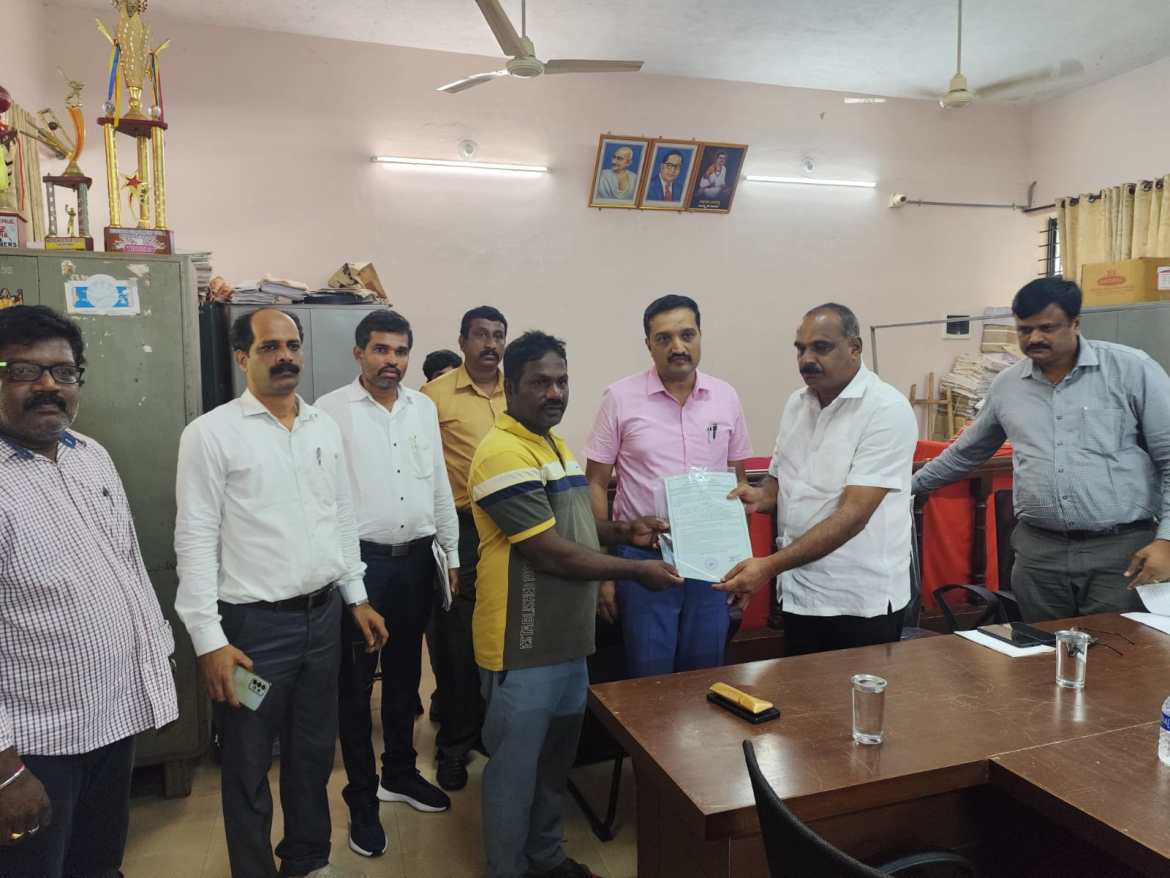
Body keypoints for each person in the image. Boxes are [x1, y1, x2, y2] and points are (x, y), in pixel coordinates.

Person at [174, 308, 388, 878]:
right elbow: (194, 538)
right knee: (248, 760)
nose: (286, 356)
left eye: (293, 345)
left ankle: (307, 857)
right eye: (270, 347)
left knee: (313, 750)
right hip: (253, 636)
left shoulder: (322, 427)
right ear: (242, 357)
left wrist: (357, 596)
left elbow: (340, 515)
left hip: (322, 624)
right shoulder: (211, 434)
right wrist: (208, 641)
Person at [469, 331, 682, 878]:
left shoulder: (553, 445)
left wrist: (626, 531)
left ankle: (544, 858)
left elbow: (577, 527)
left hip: (567, 639)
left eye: (562, 381)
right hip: (522, 642)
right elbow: (549, 550)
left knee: (554, 762)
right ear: (510, 387)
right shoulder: (502, 452)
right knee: (515, 771)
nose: (555, 393)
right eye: (540, 382)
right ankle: (507, 869)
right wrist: (636, 571)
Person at [0, 305, 178, 878]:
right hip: (34, 745)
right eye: (23, 371)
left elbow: (128, 568)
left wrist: (153, 674)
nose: (48, 386)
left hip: (108, 720)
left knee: (98, 863)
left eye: (64, 372)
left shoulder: (90, 456)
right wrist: (5, 770)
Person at [913, 278, 1170, 620]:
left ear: (1075, 323)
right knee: (1042, 648)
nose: (1034, 338)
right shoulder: (1008, 386)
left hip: (1120, 553)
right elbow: (966, 453)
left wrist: (1166, 541)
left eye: (1047, 328)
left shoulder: (1130, 369)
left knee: (1118, 649)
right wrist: (902, 488)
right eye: (1024, 329)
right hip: (1039, 557)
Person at [316, 310, 460, 858]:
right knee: (355, 688)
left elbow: (438, 482)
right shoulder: (329, 411)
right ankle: (362, 800)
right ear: (359, 353)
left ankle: (399, 773)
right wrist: (350, 582)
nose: (391, 361)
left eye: (400, 351)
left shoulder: (423, 408)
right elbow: (327, 502)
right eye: (380, 350)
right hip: (362, 566)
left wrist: (451, 553)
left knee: (405, 677)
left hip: (418, 561)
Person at [717, 303, 918, 656]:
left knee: (857, 692)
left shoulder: (886, 409)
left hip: (858, 601)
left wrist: (768, 567)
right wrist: (759, 497)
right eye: (800, 349)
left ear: (855, 347)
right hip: (800, 592)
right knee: (803, 691)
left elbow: (853, 515)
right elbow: (779, 481)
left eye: (821, 347)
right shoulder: (797, 404)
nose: (806, 359)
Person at [584, 294, 753, 676]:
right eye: (664, 338)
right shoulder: (619, 398)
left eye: (686, 335)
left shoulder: (725, 397)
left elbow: (739, 483)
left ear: (700, 336)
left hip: (711, 564)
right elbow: (595, 484)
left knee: (705, 674)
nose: (677, 347)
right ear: (649, 345)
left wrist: (743, 562)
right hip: (644, 560)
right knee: (650, 677)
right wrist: (605, 572)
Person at [420, 305, 507, 791]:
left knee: (503, 636)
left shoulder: (520, 389)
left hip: (514, 528)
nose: (490, 344)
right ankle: (454, 745)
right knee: (457, 643)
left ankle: (493, 732)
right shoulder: (434, 396)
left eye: (498, 335)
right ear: (462, 340)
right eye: (480, 335)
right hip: (462, 527)